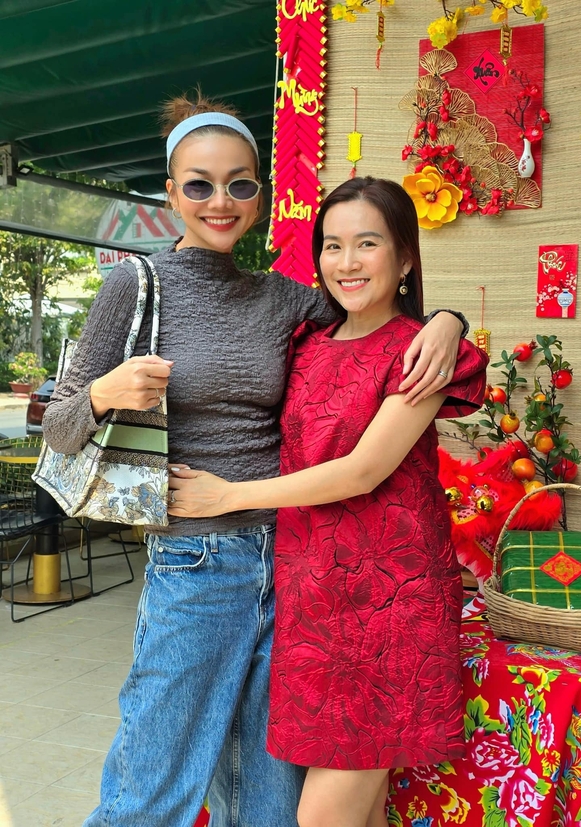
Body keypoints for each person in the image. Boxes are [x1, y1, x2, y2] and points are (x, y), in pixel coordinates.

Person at [43, 91, 470, 827]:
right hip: (196, 557)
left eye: (239, 184)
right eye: (200, 184)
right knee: (154, 785)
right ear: (171, 192)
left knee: (270, 797)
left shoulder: (285, 299)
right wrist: (106, 393)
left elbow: (372, 313)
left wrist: (448, 320)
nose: (221, 201)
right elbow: (57, 426)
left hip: (296, 561)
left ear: (260, 195)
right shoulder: (132, 285)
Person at [168, 177, 489, 827]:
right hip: (313, 603)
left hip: (390, 604)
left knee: (321, 815)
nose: (347, 262)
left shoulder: (419, 352)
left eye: (367, 243)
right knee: (360, 813)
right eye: (332, 245)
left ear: (404, 257)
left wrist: (227, 495)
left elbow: (363, 471)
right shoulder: (306, 341)